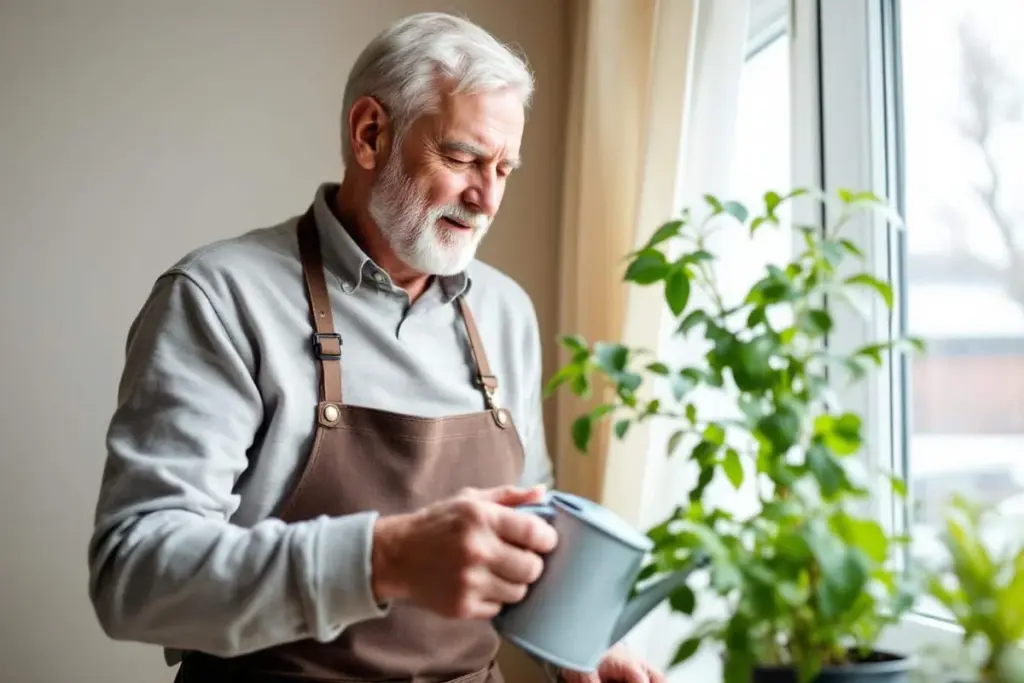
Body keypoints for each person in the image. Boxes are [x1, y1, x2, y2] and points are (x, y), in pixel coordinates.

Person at [88, 12, 665, 683]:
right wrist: (382, 557)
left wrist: (579, 645)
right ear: (370, 134)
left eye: (504, 168)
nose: (487, 198)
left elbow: (527, 529)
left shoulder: (504, 310)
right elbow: (134, 575)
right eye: (463, 158)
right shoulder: (220, 298)